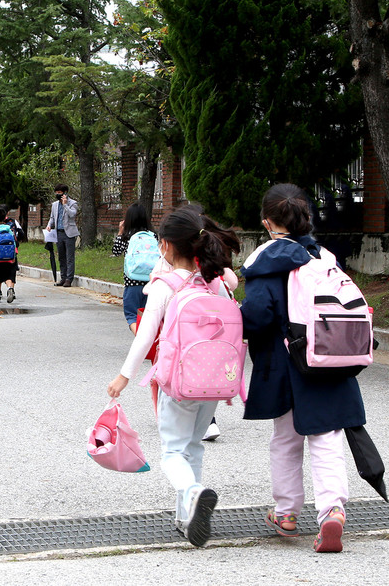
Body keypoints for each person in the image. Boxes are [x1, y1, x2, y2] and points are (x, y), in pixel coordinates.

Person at [239, 183, 366, 553]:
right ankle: (332, 512)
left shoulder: (265, 262)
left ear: (267, 222)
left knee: (286, 440)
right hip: (328, 359)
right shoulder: (324, 257)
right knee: (327, 438)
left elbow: (259, 316)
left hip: (285, 365)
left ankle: (287, 513)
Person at [107, 205, 241, 548]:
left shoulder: (165, 286)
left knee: (172, 452)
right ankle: (186, 517)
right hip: (214, 381)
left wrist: (124, 377)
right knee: (193, 446)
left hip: (178, 381)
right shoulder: (215, 282)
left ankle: (192, 493)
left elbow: (145, 335)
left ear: (164, 245)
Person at [111, 202, 155, 333]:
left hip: (132, 283)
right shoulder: (153, 236)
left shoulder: (127, 236)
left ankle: (142, 342)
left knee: (132, 316)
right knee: (149, 317)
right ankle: (148, 343)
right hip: (151, 283)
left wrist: (120, 231)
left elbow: (116, 251)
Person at [45, 184, 78, 287]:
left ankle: (69, 278)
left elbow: (72, 214)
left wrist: (65, 205)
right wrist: (49, 225)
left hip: (69, 233)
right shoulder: (54, 204)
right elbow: (52, 217)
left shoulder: (73, 203)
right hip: (58, 233)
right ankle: (63, 277)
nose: (58, 195)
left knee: (69, 257)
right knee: (61, 256)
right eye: (56, 193)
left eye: (60, 193)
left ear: (65, 193)